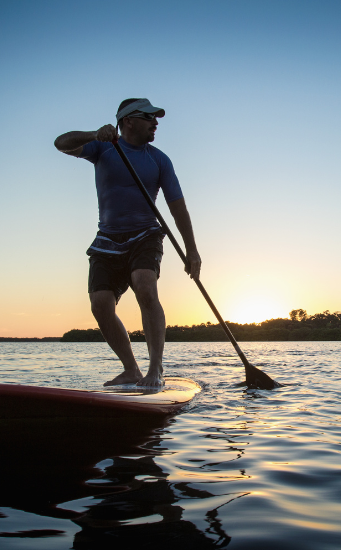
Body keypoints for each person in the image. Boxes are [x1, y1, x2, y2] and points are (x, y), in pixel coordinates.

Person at [54, 98, 201, 388]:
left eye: (156, 118)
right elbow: (61, 142)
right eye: (149, 117)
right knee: (100, 304)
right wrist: (94, 134)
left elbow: (178, 208)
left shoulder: (159, 159)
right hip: (107, 239)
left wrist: (191, 250)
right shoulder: (103, 148)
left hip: (145, 234)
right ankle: (132, 369)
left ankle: (155, 368)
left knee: (145, 287)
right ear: (128, 121)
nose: (155, 123)